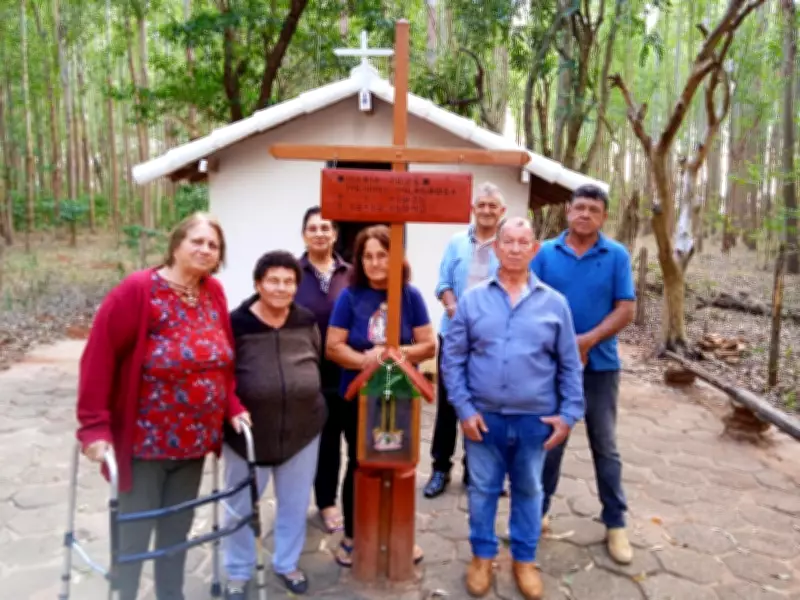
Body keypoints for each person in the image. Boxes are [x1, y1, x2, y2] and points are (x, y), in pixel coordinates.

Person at [75, 212, 251, 600]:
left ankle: (172, 595)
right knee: (134, 537)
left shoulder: (213, 292)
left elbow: (222, 361)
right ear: (176, 245)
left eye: (213, 245)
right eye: (197, 241)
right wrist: (93, 426)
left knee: (176, 536)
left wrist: (232, 405)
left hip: (194, 444)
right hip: (145, 446)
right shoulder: (139, 290)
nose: (205, 249)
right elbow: (99, 357)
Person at [442, 216, 584, 600]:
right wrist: (464, 409)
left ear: (534, 249)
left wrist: (569, 415)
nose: (516, 249)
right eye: (509, 241)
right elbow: (452, 359)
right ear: (497, 247)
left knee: (529, 490)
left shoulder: (555, 304)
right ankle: (482, 555)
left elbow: (570, 365)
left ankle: (524, 558)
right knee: (482, 490)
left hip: (535, 420)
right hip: (483, 418)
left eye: (524, 242)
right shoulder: (473, 300)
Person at [531, 184, 636, 565]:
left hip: (600, 368)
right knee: (549, 442)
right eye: (579, 207)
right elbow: (529, 301)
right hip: (552, 369)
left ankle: (616, 523)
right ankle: (537, 513)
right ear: (567, 211)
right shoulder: (544, 253)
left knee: (604, 445)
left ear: (603, 216)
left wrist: (587, 341)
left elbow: (626, 309)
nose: (585, 214)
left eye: (593, 209)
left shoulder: (616, 255)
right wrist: (559, 346)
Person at [325, 225, 437, 568]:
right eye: (368, 256)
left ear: (396, 257)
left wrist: (394, 354)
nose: (375, 263)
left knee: (399, 462)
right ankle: (353, 536)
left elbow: (428, 345)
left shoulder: (410, 296)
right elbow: (333, 347)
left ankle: (398, 535)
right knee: (361, 463)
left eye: (382, 255)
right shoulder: (350, 297)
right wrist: (367, 361)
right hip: (360, 396)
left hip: (400, 395)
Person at [222, 251, 327, 598]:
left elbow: (316, 358)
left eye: (288, 281)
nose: (281, 288)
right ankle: (238, 571)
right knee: (239, 508)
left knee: (294, 504)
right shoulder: (237, 323)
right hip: (248, 435)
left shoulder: (306, 320)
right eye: (273, 281)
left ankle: (287, 563)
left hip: (302, 430)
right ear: (258, 284)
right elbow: (222, 374)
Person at [424, 182, 506, 499]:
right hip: (454, 335)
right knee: (448, 405)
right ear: (473, 209)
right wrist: (452, 306)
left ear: (502, 211)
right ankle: (440, 469)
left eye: (492, 206)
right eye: (481, 205)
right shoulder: (456, 243)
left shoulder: (506, 246)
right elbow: (443, 283)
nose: (486, 210)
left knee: (484, 404)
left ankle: (476, 472)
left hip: (491, 341)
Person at [294, 207, 352, 534]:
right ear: (304, 234)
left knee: (351, 440)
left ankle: (351, 503)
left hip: (348, 369)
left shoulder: (350, 273)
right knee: (324, 443)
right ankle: (325, 502)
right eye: (313, 228)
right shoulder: (292, 272)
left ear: (335, 234)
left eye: (325, 228)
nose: (319, 233)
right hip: (308, 372)